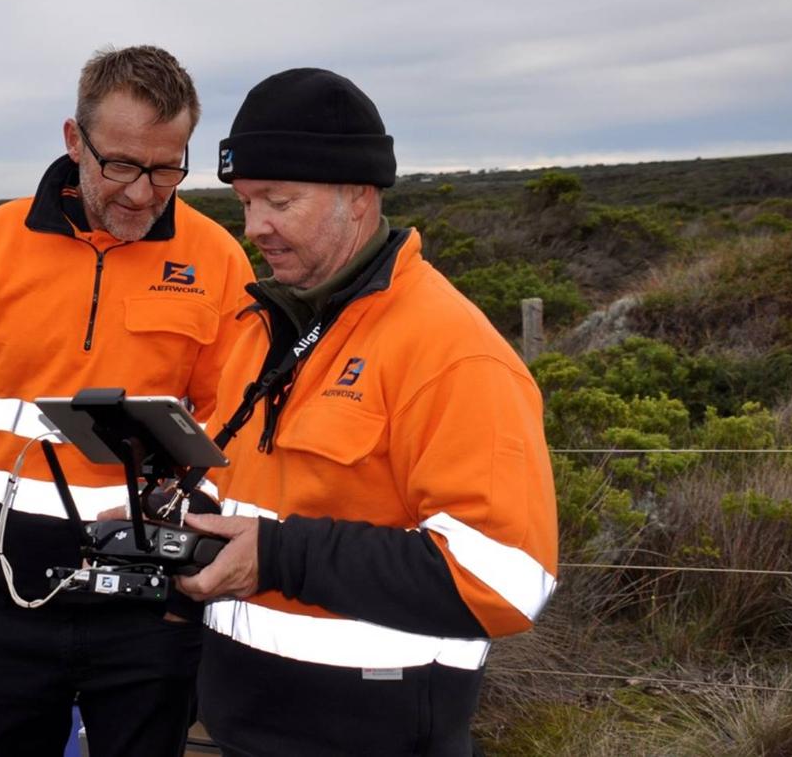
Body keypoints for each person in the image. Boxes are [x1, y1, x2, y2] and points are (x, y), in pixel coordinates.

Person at [176, 68, 559, 756]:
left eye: (277, 200)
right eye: (244, 200)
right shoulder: (265, 327)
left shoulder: (451, 351)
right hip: (239, 727)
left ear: (357, 197)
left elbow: (502, 577)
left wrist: (280, 557)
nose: (253, 225)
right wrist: (170, 520)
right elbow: (252, 496)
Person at [0, 45, 255, 757]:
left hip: (152, 621)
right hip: (0, 607)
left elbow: (236, 438)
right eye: (120, 163)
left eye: (166, 167)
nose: (141, 192)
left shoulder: (218, 258)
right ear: (74, 139)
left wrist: (185, 594)